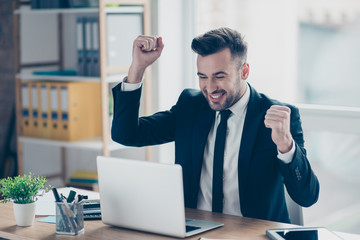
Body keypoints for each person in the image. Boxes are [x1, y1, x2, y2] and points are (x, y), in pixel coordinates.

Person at [111, 27, 319, 223]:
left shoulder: (278, 117)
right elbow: (127, 135)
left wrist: (285, 145)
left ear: (244, 72)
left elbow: (307, 197)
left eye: (219, 76)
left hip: (253, 235)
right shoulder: (191, 106)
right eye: (202, 77)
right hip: (195, 230)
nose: (210, 88)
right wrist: (137, 69)